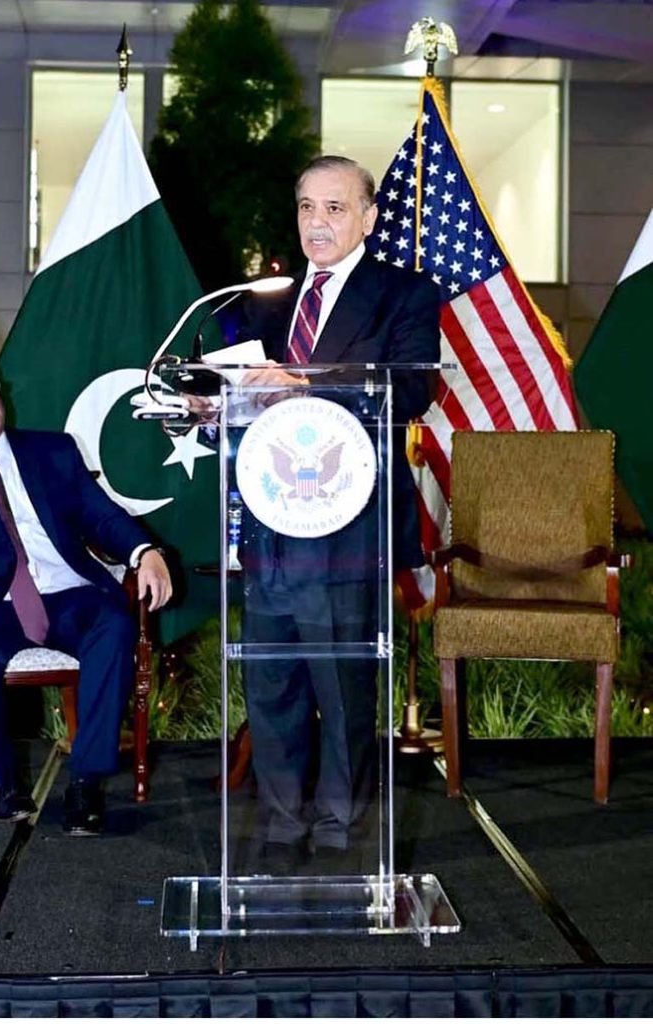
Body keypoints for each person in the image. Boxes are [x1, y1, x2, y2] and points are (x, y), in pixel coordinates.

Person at [235, 155, 441, 869]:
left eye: (333, 207)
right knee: (272, 682)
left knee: (341, 685)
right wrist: (215, 403)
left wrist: (306, 381)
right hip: (270, 522)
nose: (316, 223)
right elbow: (241, 391)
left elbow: (411, 390)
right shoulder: (267, 300)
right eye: (304, 207)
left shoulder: (402, 294)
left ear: (366, 216)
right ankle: (282, 821)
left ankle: (336, 823)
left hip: (350, 526)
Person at [0, 355, 172, 835]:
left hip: (65, 594)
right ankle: (4, 784)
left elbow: (100, 515)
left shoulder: (53, 451)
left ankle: (85, 781)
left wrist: (143, 550)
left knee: (115, 623)